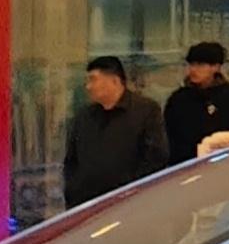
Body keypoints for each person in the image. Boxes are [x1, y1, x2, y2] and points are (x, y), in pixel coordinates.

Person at [62, 55, 170, 205]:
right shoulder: (84, 117)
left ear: (114, 80)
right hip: (87, 204)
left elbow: (156, 158)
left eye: (93, 80)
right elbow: (72, 161)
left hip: (128, 203)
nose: (88, 87)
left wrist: (131, 191)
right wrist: (72, 191)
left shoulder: (145, 111)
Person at [163, 39, 229, 166]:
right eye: (191, 64)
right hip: (186, 166)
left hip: (227, 164)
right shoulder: (178, 99)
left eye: (200, 64)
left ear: (216, 67)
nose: (193, 70)